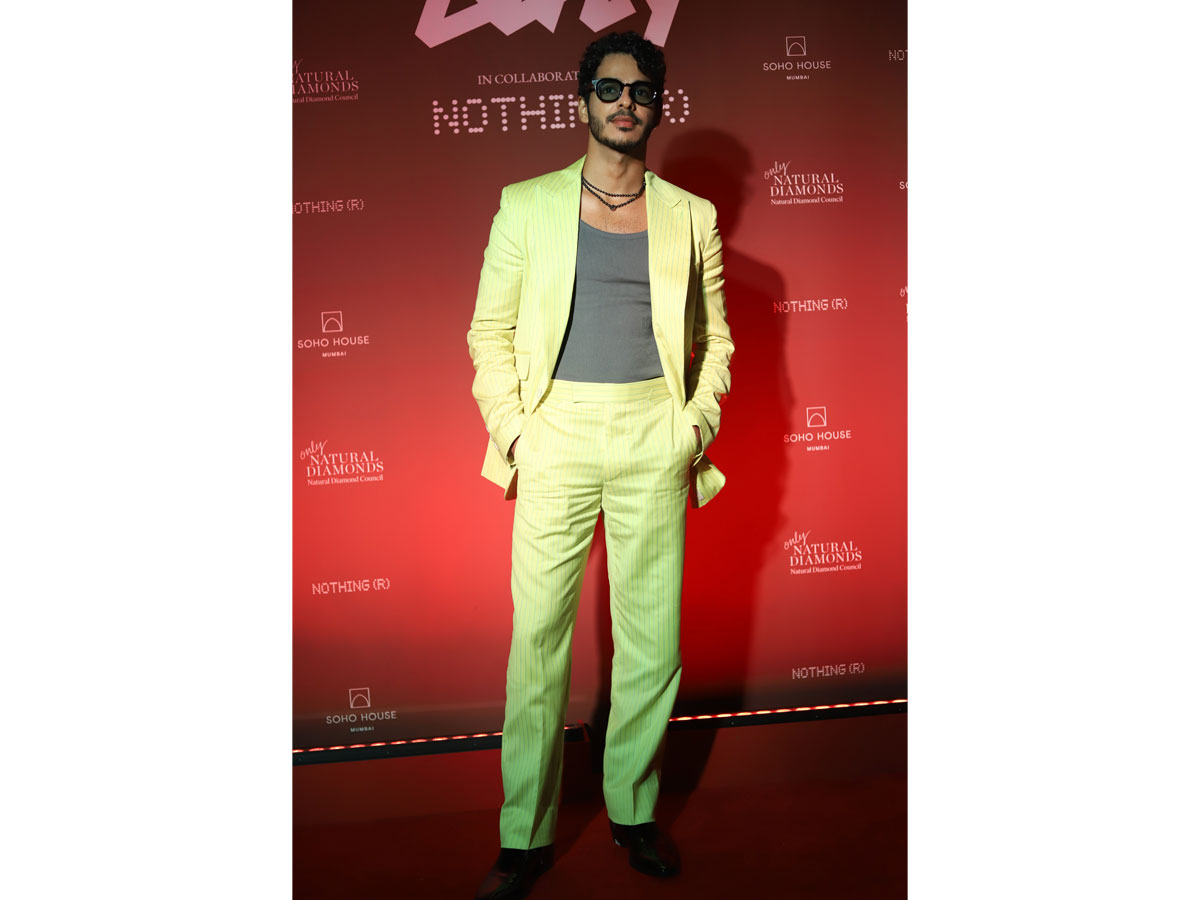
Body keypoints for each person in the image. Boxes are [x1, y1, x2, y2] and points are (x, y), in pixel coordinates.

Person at [466, 30, 733, 900]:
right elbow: (489, 332)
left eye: (641, 91)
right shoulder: (526, 205)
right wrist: (518, 433)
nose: (625, 104)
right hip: (558, 433)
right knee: (538, 639)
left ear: (659, 105)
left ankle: (633, 808)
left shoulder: (691, 215)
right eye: (610, 89)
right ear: (582, 98)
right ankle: (525, 832)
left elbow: (716, 339)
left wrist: (692, 426)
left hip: (655, 429)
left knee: (652, 643)